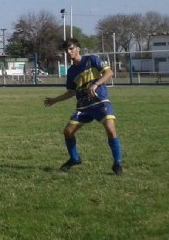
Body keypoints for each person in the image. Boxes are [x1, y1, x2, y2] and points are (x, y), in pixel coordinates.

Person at [44, 38, 123, 175]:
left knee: (110, 129)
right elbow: (71, 92)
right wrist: (54, 100)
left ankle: (117, 164)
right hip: (83, 107)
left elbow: (109, 73)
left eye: (71, 48)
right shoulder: (71, 72)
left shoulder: (92, 59)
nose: (69, 52)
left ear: (78, 48)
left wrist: (96, 84)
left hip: (100, 102)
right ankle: (75, 159)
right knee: (68, 132)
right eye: (66, 50)